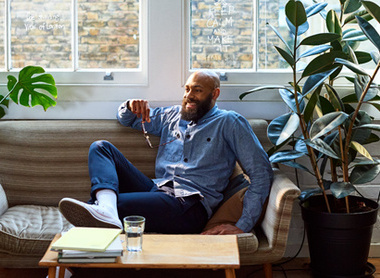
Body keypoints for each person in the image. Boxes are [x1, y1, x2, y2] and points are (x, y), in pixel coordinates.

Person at [59, 70, 273, 235]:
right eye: (187, 89)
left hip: (190, 205)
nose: (189, 96)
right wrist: (130, 105)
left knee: (102, 209)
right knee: (101, 147)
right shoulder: (172, 116)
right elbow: (127, 119)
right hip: (157, 190)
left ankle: (67, 267)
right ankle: (105, 209)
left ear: (214, 94)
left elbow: (262, 173)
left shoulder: (229, 122)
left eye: (197, 90)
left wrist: (243, 225)